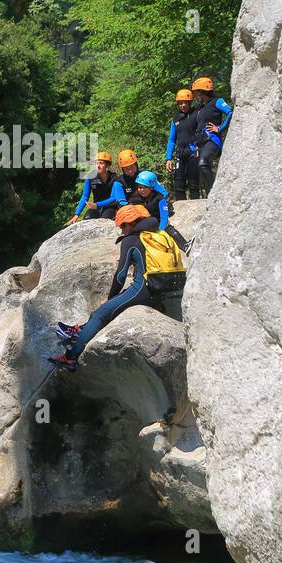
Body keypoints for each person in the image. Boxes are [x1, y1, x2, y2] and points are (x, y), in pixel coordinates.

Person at [49, 204, 185, 370]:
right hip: (167, 287)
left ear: (130, 223)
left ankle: (70, 358)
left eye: (122, 226)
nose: (121, 230)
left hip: (145, 288)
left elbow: (120, 275)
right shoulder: (158, 233)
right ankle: (80, 330)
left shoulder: (131, 240)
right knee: (112, 305)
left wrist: (109, 297)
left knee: (101, 313)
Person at [183, 77, 233, 198]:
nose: (195, 95)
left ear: (201, 91)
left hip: (212, 140)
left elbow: (230, 112)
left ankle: (213, 194)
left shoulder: (217, 101)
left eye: (196, 92)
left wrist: (219, 128)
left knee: (202, 163)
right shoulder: (200, 107)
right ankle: (210, 195)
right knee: (201, 169)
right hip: (200, 143)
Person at [68, 152, 126, 224]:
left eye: (101, 163)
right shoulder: (90, 177)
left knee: (104, 222)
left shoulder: (114, 178)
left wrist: (97, 205)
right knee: (86, 221)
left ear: (107, 165)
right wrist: (77, 214)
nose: (98, 166)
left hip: (110, 207)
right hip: (95, 208)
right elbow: (85, 197)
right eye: (96, 163)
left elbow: (114, 198)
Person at [165, 88, 200, 201]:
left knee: (194, 184)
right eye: (180, 103)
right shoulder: (176, 119)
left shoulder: (196, 114)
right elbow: (172, 139)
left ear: (190, 102)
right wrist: (168, 158)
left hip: (193, 153)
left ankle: (195, 206)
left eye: (185, 102)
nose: (183, 105)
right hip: (180, 154)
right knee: (178, 184)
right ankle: (181, 208)